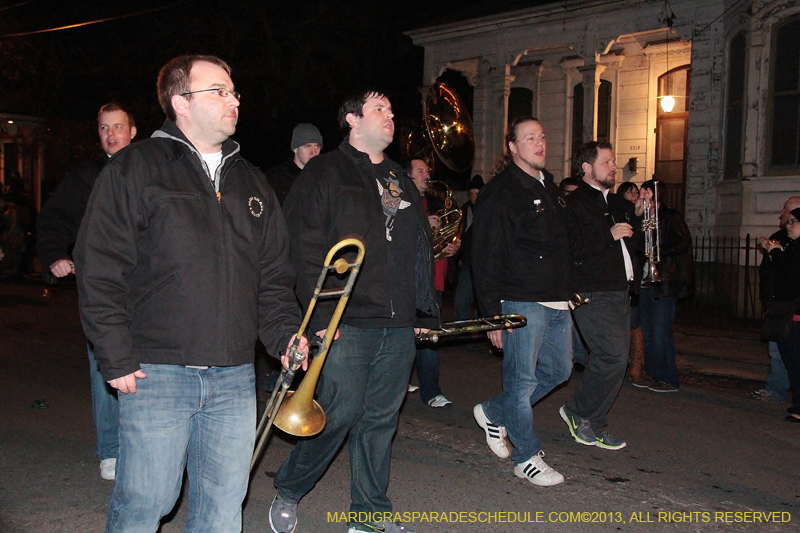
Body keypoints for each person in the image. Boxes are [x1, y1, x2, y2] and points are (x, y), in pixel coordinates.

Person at [75, 55, 306, 532]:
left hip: (234, 376)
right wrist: (114, 355)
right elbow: (100, 266)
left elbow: (273, 277)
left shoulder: (251, 180)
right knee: (146, 504)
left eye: (233, 91)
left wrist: (285, 334)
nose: (233, 100)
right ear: (180, 102)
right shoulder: (137, 167)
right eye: (218, 91)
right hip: (157, 371)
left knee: (221, 510)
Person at [271, 90, 438, 533]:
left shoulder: (399, 176)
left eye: (391, 110)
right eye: (379, 109)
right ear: (352, 119)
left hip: (397, 323)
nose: (390, 116)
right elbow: (302, 246)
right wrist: (321, 318)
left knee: (380, 421)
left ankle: (369, 516)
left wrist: (422, 313)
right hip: (346, 320)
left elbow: (415, 250)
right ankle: (289, 486)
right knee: (339, 414)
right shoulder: (325, 170)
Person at [36, 103, 137, 481]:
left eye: (118, 126)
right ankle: (111, 449)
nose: (111, 134)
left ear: (133, 131)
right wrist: (56, 256)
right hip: (101, 290)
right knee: (105, 366)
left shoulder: (150, 171)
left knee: (150, 371)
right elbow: (53, 219)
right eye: (104, 128)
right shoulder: (84, 178)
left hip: (146, 291)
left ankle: (145, 446)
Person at [471, 116, 573, 487]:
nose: (539, 143)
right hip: (520, 300)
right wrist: (492, 317)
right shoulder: (501, 192)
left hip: (556, 298)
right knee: (521, 379)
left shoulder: (550, 186)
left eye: (542, 136)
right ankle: (526, 457)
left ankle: (494, 413)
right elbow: (484, 256)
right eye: (530, 138)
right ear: (513, 147)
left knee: (558, 371)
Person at [559, 141, 635, 451]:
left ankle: (595, 423)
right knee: (611, 356)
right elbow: (570, 249)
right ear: (587, 168)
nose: (614, 167)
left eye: (614, 161)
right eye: (607, 162)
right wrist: (608, 234)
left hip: (619, 288)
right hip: (591, 290)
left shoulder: (615, 203)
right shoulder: (573, 204)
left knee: (617, 361)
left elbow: (629, 242)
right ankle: (576, 411)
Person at [632, 180, 693, 392]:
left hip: (664, 282)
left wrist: (656, 250)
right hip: (645, 283)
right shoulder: (641, 216)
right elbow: (635, 243)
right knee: (648, 334)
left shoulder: (670, 216)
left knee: (660, 334)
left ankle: (668, 379)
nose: (639, 196)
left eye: (642, 192)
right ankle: (654, 376)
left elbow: (682, 243)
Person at [407, 157, 459, 408]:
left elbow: (445, 236)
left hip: (434, 280)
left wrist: (452, 246)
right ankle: (402, 383)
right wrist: (421, 224)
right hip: (410, 281)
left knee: (430, 337)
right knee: (405, 337)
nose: (426, 174)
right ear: (408, 175)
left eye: (427, 170)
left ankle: (430, 391)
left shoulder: (435, 201)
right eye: (420, 170)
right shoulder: (403, 202)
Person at [752, 196, 800, 403]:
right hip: (778, 302)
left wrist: (777, 252)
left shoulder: (794, 244)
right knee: (778, 348)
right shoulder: (781, 236)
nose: (783, 215)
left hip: (792, 307)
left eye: (787, 211)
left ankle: (783, 391)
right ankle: (779, 389)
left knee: (787, 351)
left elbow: (790, 273)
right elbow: (771, 271)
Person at [614, 182, 646, 383]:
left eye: (636, 192)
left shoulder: (636, 216)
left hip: (634, 277)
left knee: (634, 322)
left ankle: (636, 364)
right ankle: (622, 362)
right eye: (630, 192)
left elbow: (639, 243)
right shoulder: (618, 213)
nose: (634, 195)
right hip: (620, 278)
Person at [265, 123, 323, 205]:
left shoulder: (324, 177)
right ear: (295, 149)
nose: (313, 152)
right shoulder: (277, 178)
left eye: (317, 146)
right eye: (307, 146)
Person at [453, 174, 483, 321]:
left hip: (482, 264)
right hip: (468, 262)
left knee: (481, 304)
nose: (473, 197)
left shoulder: (487, 210)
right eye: (471, 194)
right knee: (461, 302)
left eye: (476, 193)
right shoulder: (465, 210)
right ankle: (463, 329)